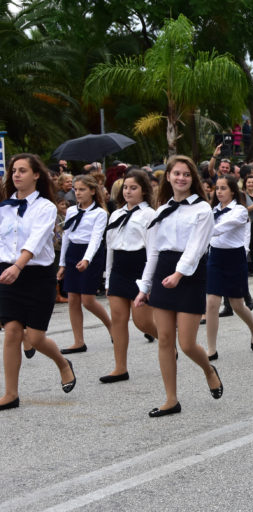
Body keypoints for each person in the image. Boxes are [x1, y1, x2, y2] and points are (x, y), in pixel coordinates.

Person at [135, 155, 222, 417]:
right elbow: (153, 252)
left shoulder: (203, 210)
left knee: (186, 343)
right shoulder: (161, 210)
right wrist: (144, 286)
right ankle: (171, 399)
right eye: (176, 174)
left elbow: (196, 249)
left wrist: (178, 275)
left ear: (192, 178)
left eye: (186, 174)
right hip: (164, 270)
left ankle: (208, 369)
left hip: (189, 273)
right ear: (169, 177)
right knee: (164, 340)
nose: (181, 178)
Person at [0, 154, 77, 410]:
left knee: (35, 336)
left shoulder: (46, 207)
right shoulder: (4, 207)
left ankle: (63, 363)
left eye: (22, 170)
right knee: (11, 331)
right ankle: (10, 394)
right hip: (7, 273)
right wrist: (9, 268)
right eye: (14, 171)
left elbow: (35, 240)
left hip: (35, 274)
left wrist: (17, 266)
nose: (17, 175)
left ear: (36, 175)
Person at [102, 170, 158, 383]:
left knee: (142, 322)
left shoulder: (149, 215)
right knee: (118, 319)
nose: (128, 191)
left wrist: (148, 282)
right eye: (125, 187)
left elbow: (153, 249)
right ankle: (120, 367)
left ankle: (167, 342)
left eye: (133, 188)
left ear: (144, 190)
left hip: (139, 268)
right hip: (118, 269)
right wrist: (108, 278)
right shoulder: (115, 214)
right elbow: (109, 248)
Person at [205, 175, 253, 360]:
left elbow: (224, 227)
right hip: (215, 257)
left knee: (237, 304)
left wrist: (204, 231)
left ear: (232, 191)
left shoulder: (239, 210)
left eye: (223, 188)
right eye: (217, 188)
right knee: (212, 303)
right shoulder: (213, 210)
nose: (219, 191)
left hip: (234, 258)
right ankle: (211, 348)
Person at [58, 175, 112, 354]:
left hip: (91, 255)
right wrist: (62, 263)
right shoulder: (72, 211)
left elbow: (96, 239)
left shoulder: (100, 213)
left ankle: (112, 327)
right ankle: (78, 341)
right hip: (73, 252)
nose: (78, 193)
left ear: (92, 191)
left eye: (82, 189)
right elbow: (66, 236)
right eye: (76, 189)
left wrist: (87, 259)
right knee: (73, 299)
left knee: (88, 300)